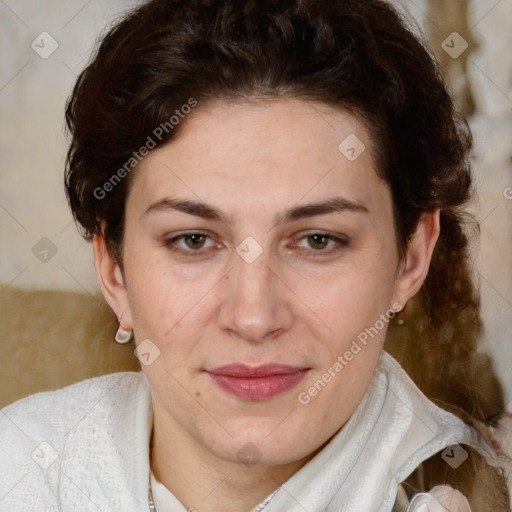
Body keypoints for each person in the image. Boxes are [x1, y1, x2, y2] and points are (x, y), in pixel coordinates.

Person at [1, 0, 511, 510]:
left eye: (317, 241)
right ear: (114, 270)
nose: (253, 317)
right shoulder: (22, 466)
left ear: (412, 257)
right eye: (193, 240)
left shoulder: (468, 493)